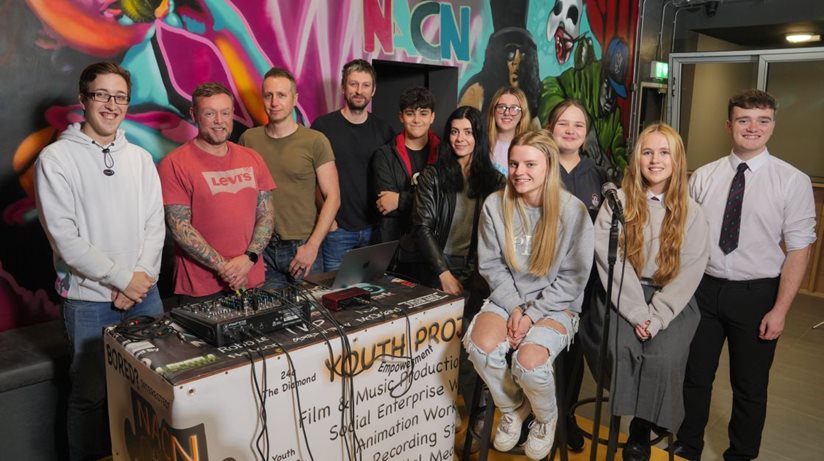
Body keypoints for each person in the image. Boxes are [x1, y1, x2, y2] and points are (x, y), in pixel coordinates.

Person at [34, 62, 165, 461]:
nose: (112, 104)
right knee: (91, 398)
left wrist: (141, 279)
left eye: (120, 96)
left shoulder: (140, 158)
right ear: (83, 99)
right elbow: (67, 241)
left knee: (155, 390)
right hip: (89, 303)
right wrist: (124, 279)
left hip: (146, 295)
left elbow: (155, 225)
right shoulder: (55, 159)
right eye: (102, 95)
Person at [676, 89, 816, 461]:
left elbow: (799, 249)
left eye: (762, 120)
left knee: (750, 385)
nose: (753, 128)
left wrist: (781, 310)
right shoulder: (703, 177)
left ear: (773, 125)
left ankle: (741, 453)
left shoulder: (792, 181)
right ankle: (687, 444)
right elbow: (686, 240)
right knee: (694, 376)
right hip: (703, 290)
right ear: (729, 125)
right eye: (744, 120)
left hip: (757, 295)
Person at [464, 129, 594, 460]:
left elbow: (573, 279)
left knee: (529, 363)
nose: (519, 172)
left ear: (549, 166)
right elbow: (491, 266)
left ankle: (546, 419)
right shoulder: (495, 204)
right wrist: (517, 308)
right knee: (480, 348)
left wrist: (532, 314)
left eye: (530, 164)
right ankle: (515, 408)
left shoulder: (574, 211)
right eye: (514, 164)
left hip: (556, 304)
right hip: (509, 298)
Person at [582, 123, 709, 461]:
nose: (655, 160)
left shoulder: (692, 213)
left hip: (671, 300)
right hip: (623, 294)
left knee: (663, 356)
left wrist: (657, 317)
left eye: (664, 152)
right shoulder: (618, 203)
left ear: (677, 160)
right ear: (637, 158)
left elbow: (690, 271)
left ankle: (641, 426)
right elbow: (611, 263)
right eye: (648, 152)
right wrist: (638, 314)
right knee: (621, 346)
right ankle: (624, 418)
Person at [158, 83, 276, 300]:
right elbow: (180, 227)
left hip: (250, 276)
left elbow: (266, 215)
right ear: (194, 115)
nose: (219, 121)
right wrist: (227, 269)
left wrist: (249, 259)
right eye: (210, 114)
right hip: (201, 286)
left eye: (225, 113)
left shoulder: (252, 158)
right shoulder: (174, 164)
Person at [239, 67, 340, 289]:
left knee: (313, 318)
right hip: (262, 248)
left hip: (302, 247)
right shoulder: (248, 139)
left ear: (294, 98)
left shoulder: (315, 140)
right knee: (269, 319)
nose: (274, 102)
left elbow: (333, 197)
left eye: (282, 95)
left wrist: (312, 246)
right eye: (268, 95)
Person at [545, 98, 608, 451]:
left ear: (586, 135)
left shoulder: (599, 175)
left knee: (572, 351)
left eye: (578, 125)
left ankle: (565, 414)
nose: (570, 131)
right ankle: (540, 417)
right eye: (563, 123)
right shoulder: (538, 165)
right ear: (550, 127)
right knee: (537, 352)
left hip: (584, 284)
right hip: (540, 281)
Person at [312, 59, 394, 271]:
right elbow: (311, 179)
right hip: (337, 230)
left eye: (366, 85)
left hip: (375, 230)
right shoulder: (323, 127)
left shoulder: (384, 130)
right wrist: (327, 218)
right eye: (353, 84)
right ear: (343, 87)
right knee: (335, 296)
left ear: (373, 90)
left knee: (372, 294)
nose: (359, 90)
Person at [371, 86, 439, 279]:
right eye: (410, 114)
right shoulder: (384, 155)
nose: (417, 120)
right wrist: (428, 202)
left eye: (423, 113)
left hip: (433, 249)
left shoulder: (444, 153)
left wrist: (400, 200)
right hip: (397, 250)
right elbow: (386, 205)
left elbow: (444, 203)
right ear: (401, 117)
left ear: (432, 117)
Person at [487, 86, 531, 175]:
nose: (507, 113)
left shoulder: (532, 148)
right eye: (502, 107)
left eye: (514, 108)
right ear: (493, 111)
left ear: (522, 114)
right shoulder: (480, 145)